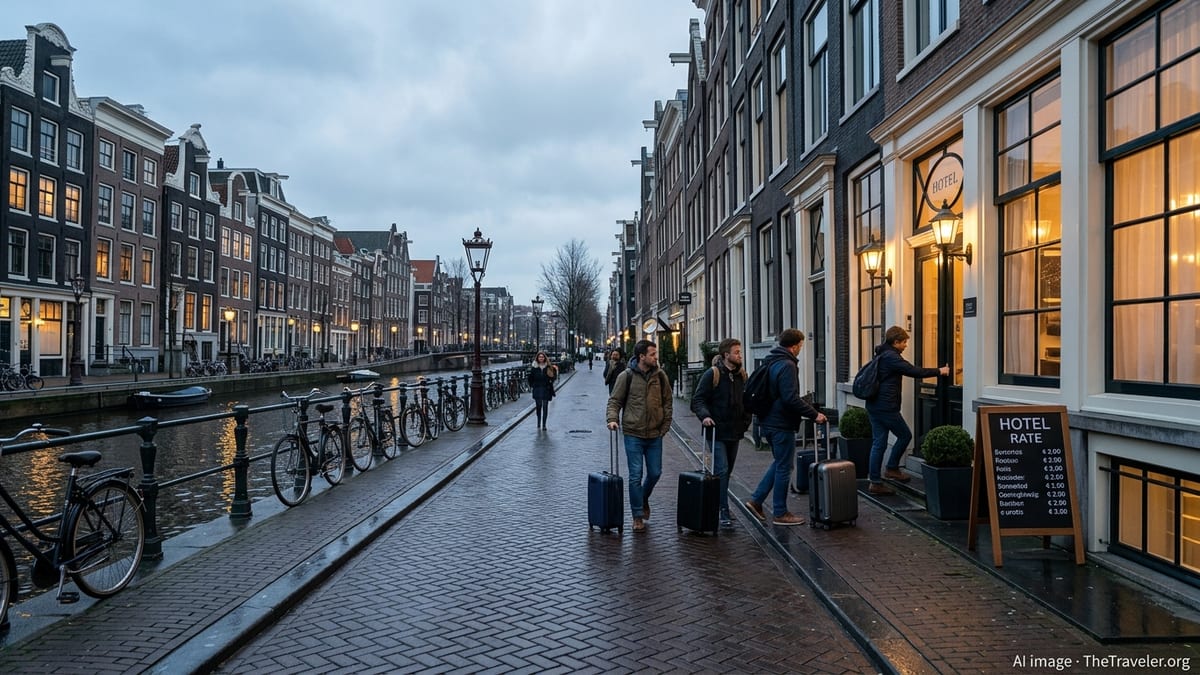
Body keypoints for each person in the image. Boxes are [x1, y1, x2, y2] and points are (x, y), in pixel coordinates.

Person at [745, 328, 827, 526]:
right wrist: (814, 414)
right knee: (784, 466)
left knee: (780, 462)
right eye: (800, 345)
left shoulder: (771, 361)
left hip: (767, 421)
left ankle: (756, 501)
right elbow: (789, 398)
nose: (800, 349)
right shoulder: (788, 365)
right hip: (780, 423)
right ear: (795, 345)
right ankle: (780, 512)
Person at [865, 325, 949, 495]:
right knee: (905, 435)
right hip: (886, 407)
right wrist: (939, 371)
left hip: (875, 405)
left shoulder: (882, 354)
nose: (906, 345)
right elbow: (913, 371)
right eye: (904, 342)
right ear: (896, 342)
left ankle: (875, 481)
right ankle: (891, 469)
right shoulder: (891, 357)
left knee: (879, 443)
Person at [606, 339, 672, 533]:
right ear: (642, 356)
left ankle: (643, 498)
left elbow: (667, 402)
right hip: (633, 433)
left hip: (654, 434)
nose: (656, 357)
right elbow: (614, 401)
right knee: (635, 475)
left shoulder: (660, 376)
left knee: (655, 473)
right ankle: (637, 516)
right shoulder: (626, 376)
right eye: (652, 354)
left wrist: (665, 425)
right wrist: (612, 419)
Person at [690, 338, 750, 528]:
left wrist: (746, 419)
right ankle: (723, 509)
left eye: (740, 352)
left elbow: (747, 400)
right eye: (737, 352)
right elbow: (697, 400)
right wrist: (705, 417)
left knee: (726, 471)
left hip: (735, 431)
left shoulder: (741, 375)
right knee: (722, 469)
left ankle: (718, 502)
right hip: (716, 431)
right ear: (726, 355)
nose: (740, 355)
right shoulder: (712, 374)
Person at [527, 351, 558, 430]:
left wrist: (552, 378)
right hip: (537, 388)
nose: (541, 358)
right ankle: (538, 422)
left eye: (542, 357)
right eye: (540, 357)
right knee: (538, 406)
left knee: (545, 406)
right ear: (537, 358)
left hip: (546, 388)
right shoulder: (534, 367)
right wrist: (532, 385)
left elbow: (553, 377)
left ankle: (544, 424)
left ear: (545, 358)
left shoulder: (548, 367)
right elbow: (530, 378)